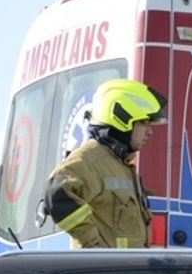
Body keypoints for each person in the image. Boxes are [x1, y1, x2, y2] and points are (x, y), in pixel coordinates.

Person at [44, 78, 167, 248]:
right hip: (104, 272)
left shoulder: (119, 164)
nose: (150, 132)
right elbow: (56, 192)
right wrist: (94, 246)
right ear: (122, 118)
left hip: (123, 272)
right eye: (144, 123)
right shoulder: (93, 158)